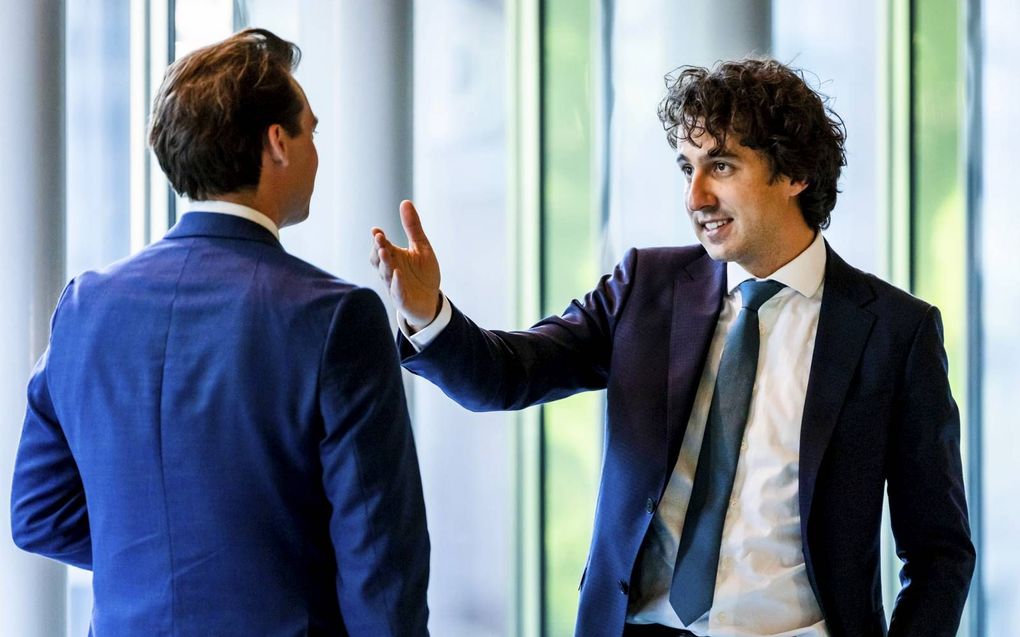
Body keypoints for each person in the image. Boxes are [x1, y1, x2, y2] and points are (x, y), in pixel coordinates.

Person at [370, 58, 973, 637]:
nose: (696, 197)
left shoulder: (895, 333)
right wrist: (427, 312)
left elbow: (939, 553)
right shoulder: (646, 288)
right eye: (688, 168)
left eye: (723, 166)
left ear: (795, 174)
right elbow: (506, 375)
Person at [11, 28, 429, 636]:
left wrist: (163, 563)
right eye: (312, 130)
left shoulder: (84, 307)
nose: (318, 149)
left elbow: (40, 513)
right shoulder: (337, 319)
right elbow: (382, 577)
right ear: (277, 143)